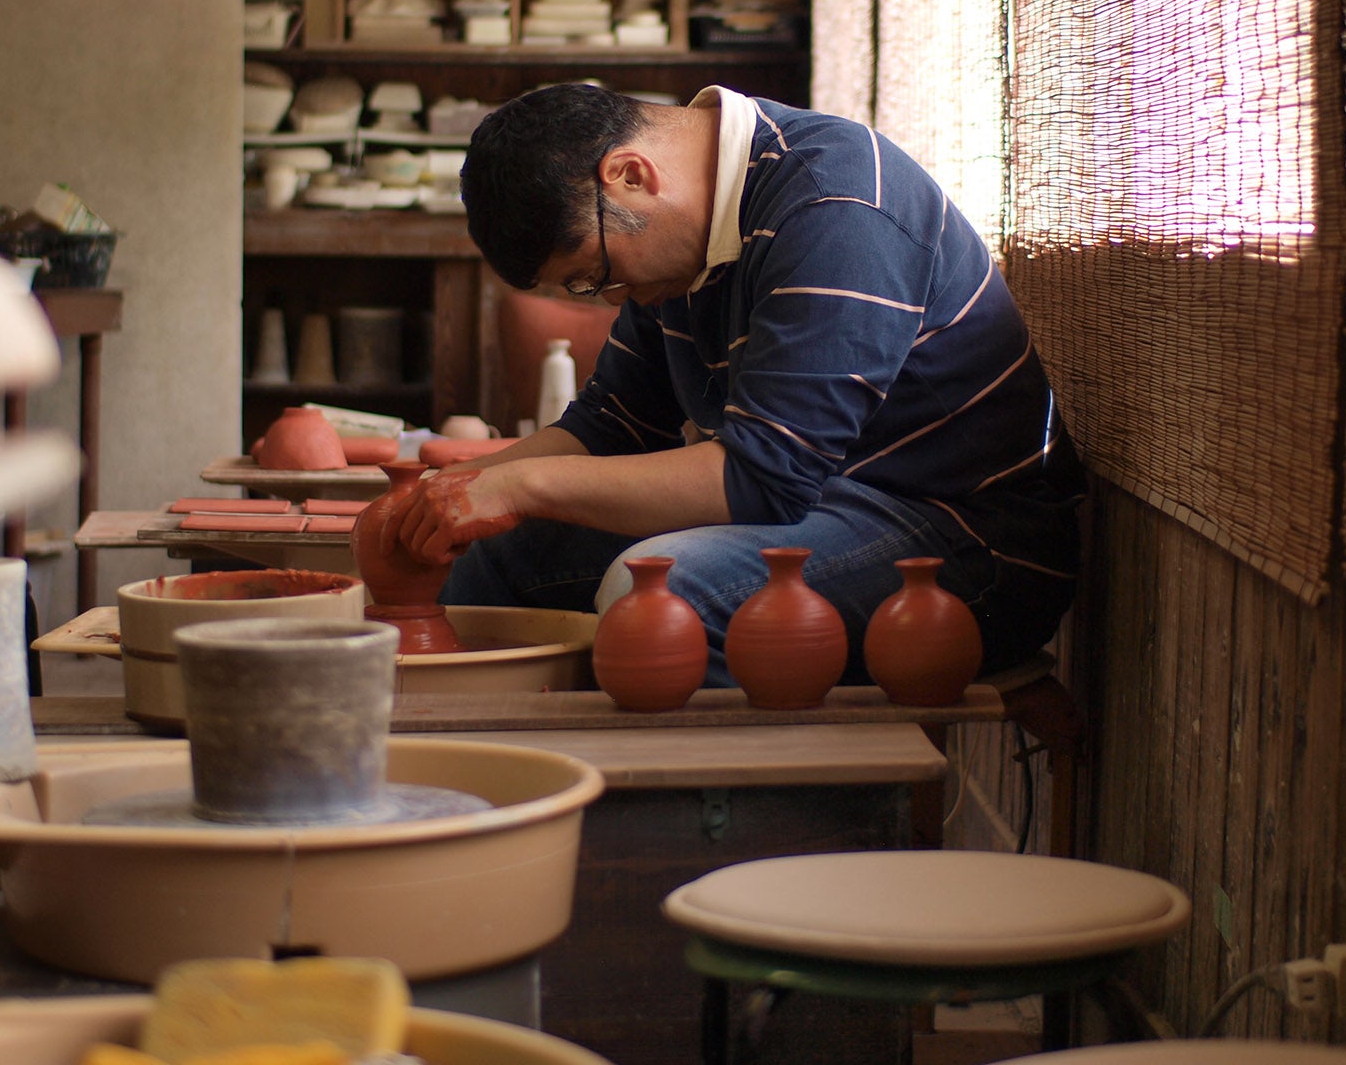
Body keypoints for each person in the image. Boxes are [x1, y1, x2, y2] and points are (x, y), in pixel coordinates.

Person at [393, 82, 1086, 683]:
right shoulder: (681, 254)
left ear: (631, 176)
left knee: (668, 596)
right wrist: (442, 498)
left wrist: (519, 484)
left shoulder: (836, 203)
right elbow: (610, 428)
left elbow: (765, 479)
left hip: (967, 542)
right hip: (825, 510)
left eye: (595, 276)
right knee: (496, 555)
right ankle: (496, 789)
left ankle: (732, 830)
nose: (609, 300)